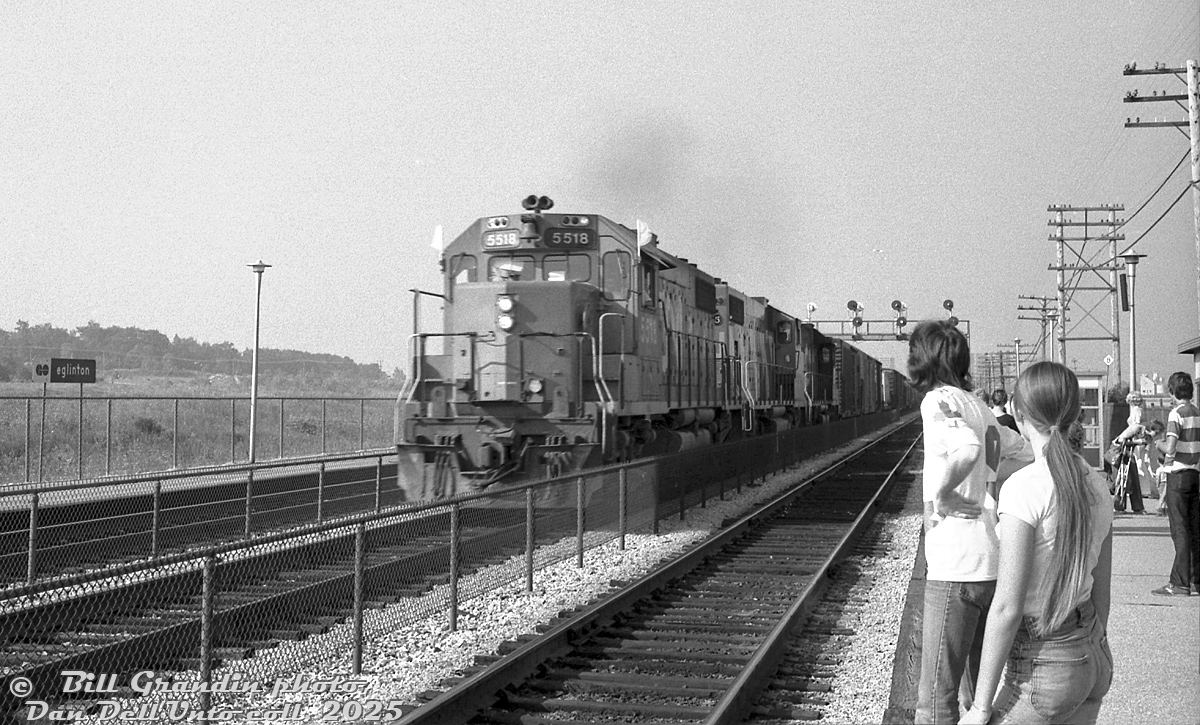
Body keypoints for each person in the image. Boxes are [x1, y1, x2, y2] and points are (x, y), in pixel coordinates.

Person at [959, 361, 1114, 724]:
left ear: (1018, 411)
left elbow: (1007, 608)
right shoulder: (1097, 485)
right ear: (1075, 412)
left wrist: (981, 706)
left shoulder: (1024, 489)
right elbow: (1101, 592)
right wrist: (1092, 647)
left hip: (1046, 666)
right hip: (1092, 654)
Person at [908, 321, 1032, 724]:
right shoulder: (979, 406)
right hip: (991, 562)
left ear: (922, 359)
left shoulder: (937, 400)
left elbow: (967, 448)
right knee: (977, 697)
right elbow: (1026, 452)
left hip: (954, 565)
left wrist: (942, 494)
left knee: (934, 701)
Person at [1150, 372, 1199, 596]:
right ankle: (1196, 579)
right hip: (1195, 474)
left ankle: (1179, 582)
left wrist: (1158, 443)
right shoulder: (1197, 413)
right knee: (1195, 529)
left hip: (1178, 476)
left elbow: (1170, 448)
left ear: (1172, 391)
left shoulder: (1175, 415)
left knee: (1179, 529)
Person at [1111, 392, 1146, 513]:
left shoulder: (1136, 411)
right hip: (1129, 444)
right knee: (1127, 473)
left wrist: (1121, 438)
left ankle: (1121, 504)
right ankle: (1135, 505)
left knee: (1123, 474)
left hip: (1128, 443)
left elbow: (1135, 427)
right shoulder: (1136, 410)